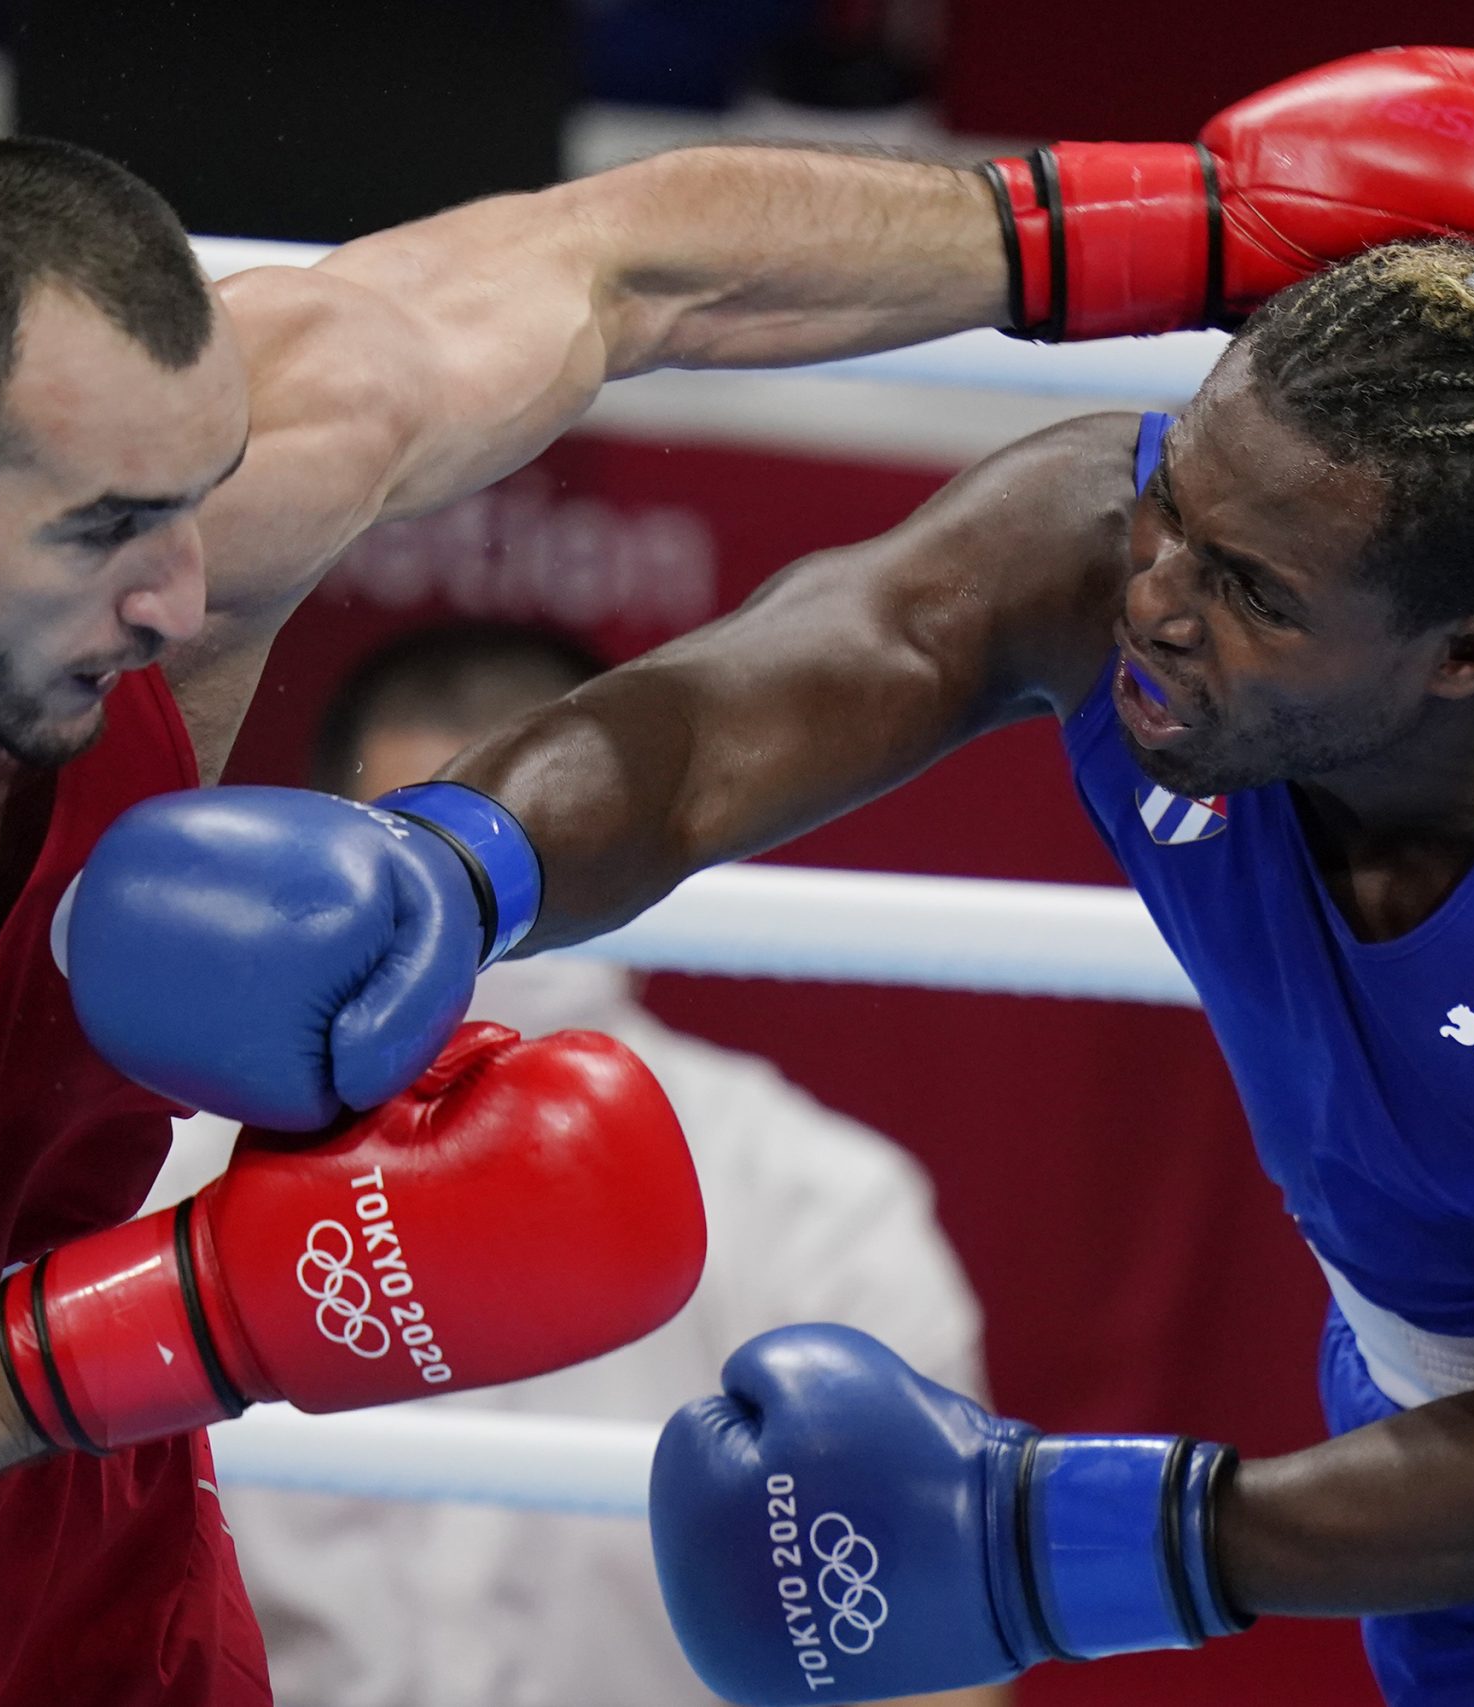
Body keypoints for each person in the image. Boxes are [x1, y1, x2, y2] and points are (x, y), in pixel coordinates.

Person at [0, 42, 1474, 1701]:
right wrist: (211, 1305)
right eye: (106, 540)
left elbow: (628, 259)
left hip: (74, 1554)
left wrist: (1177, 220)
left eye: (197, 508)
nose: (186, 594)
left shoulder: (201, 502)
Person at [87, 249, 1474, 1707]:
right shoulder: (1112, 547)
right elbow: (731, 713)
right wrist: (464, 858)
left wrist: (1063, 1549)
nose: (1154, 608)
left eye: (1251, 595)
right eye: (1170, 518)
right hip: (1452, 1388)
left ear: (1465, 657)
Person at [143, 621, 1004, 1707]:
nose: (478, 939)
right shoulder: (169, 1178)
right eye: (422, 884)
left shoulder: (815, 1196)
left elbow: (931, 1667)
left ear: (634, 856)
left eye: (518, 878)